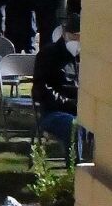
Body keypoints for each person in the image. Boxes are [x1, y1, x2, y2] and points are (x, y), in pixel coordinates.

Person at [33, 20, 81, 159]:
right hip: (53, 112)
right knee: (75, 127)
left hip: (83, 111)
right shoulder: (48, 54)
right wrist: (71, 105)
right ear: (65, 34)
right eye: (75, 36)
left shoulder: (85, 56)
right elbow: (42, 90)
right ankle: (75, 170)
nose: (79, 40)